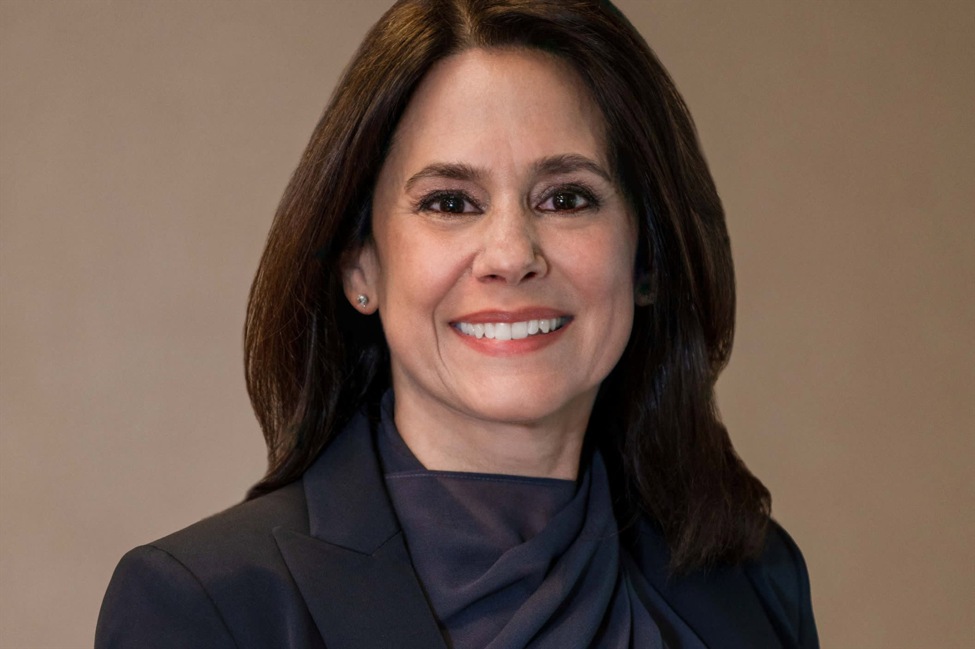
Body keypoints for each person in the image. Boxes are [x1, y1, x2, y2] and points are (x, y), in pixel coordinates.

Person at [96, 1, 819, 647]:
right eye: (449, 202)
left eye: (566, 198)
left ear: (646, 257)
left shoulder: (757, 580)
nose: (511, 255)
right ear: (360, 266)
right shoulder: (207, 608)